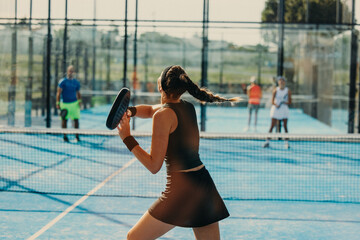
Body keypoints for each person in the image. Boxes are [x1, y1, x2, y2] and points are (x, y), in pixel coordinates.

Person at [117, 65, 235, 240]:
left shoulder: (163, 115)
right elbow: (149, 110)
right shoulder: (187, 107)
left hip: (181, 190)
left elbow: (153, 165)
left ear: (161, 86)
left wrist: (127, 137)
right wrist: (130, 111)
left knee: (134, 238)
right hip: (204, 185)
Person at [263, 76, 292, 149]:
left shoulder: (288, 91)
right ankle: (267, 142)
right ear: (278, 82)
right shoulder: (275, 90)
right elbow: (272, 101)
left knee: (285, 126)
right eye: (280, 81)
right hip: (276, 110)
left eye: (283, 81)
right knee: (272, 126)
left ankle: (286, 143)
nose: (281, 82)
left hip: (284, 110)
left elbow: (290, 101)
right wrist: (276, 104)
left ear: (285, 82)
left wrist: (284, 103)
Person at [56, 65, 82, 142]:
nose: (71, 72)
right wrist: (58, 103)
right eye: (70, 71)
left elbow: (78, 93)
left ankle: (77, 136)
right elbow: (58, 93)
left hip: (74, 104)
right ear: (67, 72)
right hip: (64, 104)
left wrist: (79, 101)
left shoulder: (76, 82)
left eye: (72, 71)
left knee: (76, 120)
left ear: (74, 72)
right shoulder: (62, 82)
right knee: (64, 120)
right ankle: (65, 136)